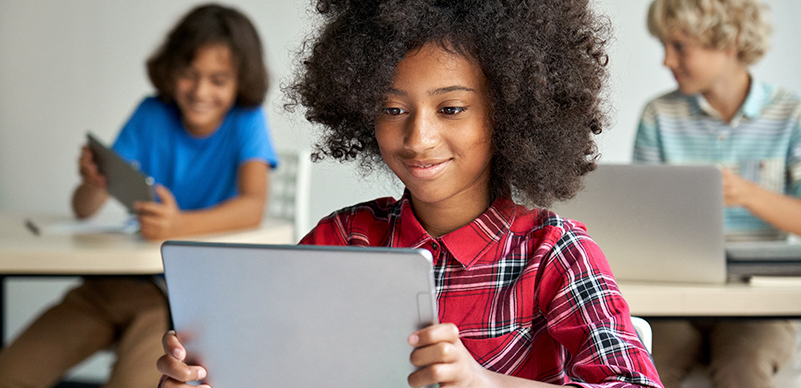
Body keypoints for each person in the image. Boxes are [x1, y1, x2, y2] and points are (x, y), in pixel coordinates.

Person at [157, 0, 663, 387]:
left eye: (451, 109)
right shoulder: (344, 239)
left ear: (508, 114)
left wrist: (483, 381)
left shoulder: (554, 255)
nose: (418, 138)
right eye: (393, 109)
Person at [0, 4, 277, 388]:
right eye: (190, 74)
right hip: (111, 284)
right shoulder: (150, 114)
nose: (201, 91)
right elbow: (82, 209)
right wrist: (94, 181)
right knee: (3, 378)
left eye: (218, 79)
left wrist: (178, 226)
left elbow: (254, 205)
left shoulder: (246, 121)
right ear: (171, 71)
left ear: (241, 81)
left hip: (174, 302)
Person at [633, 0, 801, 387]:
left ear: (729, 42)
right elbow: (641, 222)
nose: (666, 61)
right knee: (642, 366)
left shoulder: (790, 115)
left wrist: (746, 193)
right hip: (675, 297)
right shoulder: (658, 116)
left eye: (679, 47)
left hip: (755, 303)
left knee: (743, 368)